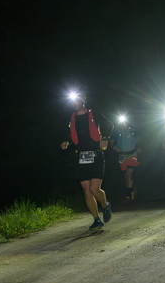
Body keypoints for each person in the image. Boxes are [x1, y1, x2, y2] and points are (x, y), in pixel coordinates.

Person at [60, 93, 114, 229]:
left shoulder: (94, 113)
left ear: (83, 101)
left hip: (96, 154)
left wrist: (105, 139)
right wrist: (66, 142)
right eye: (72, 102)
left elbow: (109, 125)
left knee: (94, 189)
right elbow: (71, 134)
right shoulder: (72, 117)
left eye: (77, 100)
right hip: (81, 156)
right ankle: (96, 219)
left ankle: (105, 205)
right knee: (86, 190)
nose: (74, 103)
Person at [110, 118, 140, 200]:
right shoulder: (116, 132)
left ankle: (128, 196)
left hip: (133, 155)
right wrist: (114, 147)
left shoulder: (132, 130)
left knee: (129, 173)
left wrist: (139, 147)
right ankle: (132, 190)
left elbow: (139, 139)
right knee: (126, 176)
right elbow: (111, 143)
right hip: (122, 156)